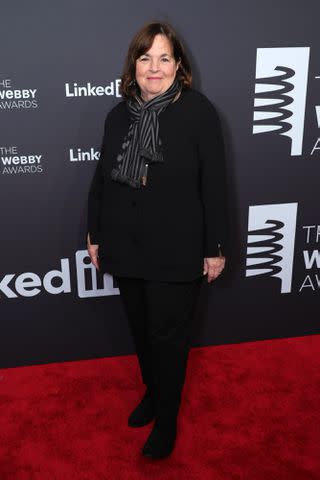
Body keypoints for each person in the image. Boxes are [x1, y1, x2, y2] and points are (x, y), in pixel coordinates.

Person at [86, 21, 229, 459]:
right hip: (124, 245)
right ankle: (152, 393)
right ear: (133, 65)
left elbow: (214, 184)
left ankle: (167, 419)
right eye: (145, 57)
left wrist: (215, 247)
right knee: (142, 332)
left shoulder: (199, 112)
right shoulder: (118, 114)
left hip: (177, 248)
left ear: (178, 65)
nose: (154, 67)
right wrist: (94, 234)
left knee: (168, 337)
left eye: (164, 57)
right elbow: (102, 179)